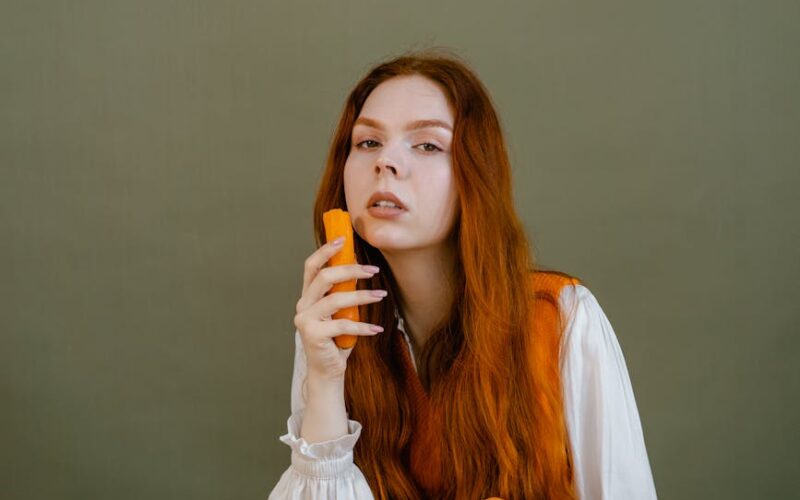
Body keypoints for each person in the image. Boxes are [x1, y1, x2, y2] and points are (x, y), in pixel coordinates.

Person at [268, 49, 657, 499]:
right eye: (368, 142)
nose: (386, 162)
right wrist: (326, 380)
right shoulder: (329, 326)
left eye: (428, 145)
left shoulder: (563, 319)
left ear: (475, 175)